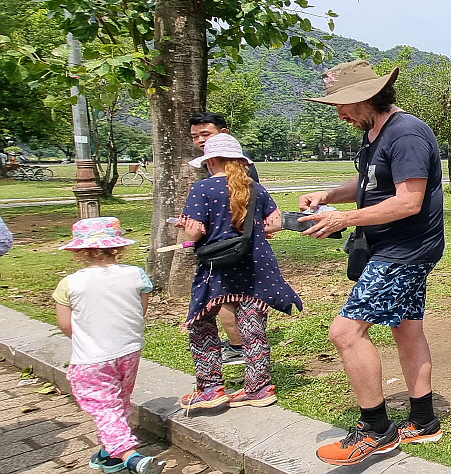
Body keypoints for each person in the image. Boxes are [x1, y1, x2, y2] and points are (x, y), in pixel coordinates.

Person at [297, 61, 445, 465]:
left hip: (404, 251)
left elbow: (408, 200)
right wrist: (328, 197)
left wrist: (343, 219)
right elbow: (369, 185)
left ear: (368, 97)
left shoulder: (407, 133)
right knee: (406, 330)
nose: (341, 113)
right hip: (394, 249)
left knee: (345, 333)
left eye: (344, 105)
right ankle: (423, 421)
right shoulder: (373, 135)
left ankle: (376, 430)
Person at [177, 133, 302, 411]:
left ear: (210, 162)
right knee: (252, 324)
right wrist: (249, 231)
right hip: (254, 263)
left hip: (217, 267)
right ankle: (258, 387)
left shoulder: (202, 189)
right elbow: (275, 223)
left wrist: (186, 230)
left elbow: (195, 231)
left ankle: (210, 388)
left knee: (201, 322)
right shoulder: (254, 188)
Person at [52, 217, 165, 473]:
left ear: (79, 252)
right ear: (118, 247)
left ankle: (129, 455)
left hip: (91, 357)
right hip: (128, 350)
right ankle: (108, 453)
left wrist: (86, 337)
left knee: (103, 406)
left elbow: (66, 325)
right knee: (118, 401)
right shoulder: (136, 275)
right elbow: (140, 311)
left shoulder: (70, 284)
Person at [189, 112, 259, 365]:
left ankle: (238, 348)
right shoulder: (233, 170)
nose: (200, 140)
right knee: (242, 301)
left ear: (224, 133)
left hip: (228, 249)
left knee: (229, 298)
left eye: (205, 135)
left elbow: (245, 211)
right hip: (244, 247)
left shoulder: (241, 174)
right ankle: (252, 359)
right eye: (195, 136)